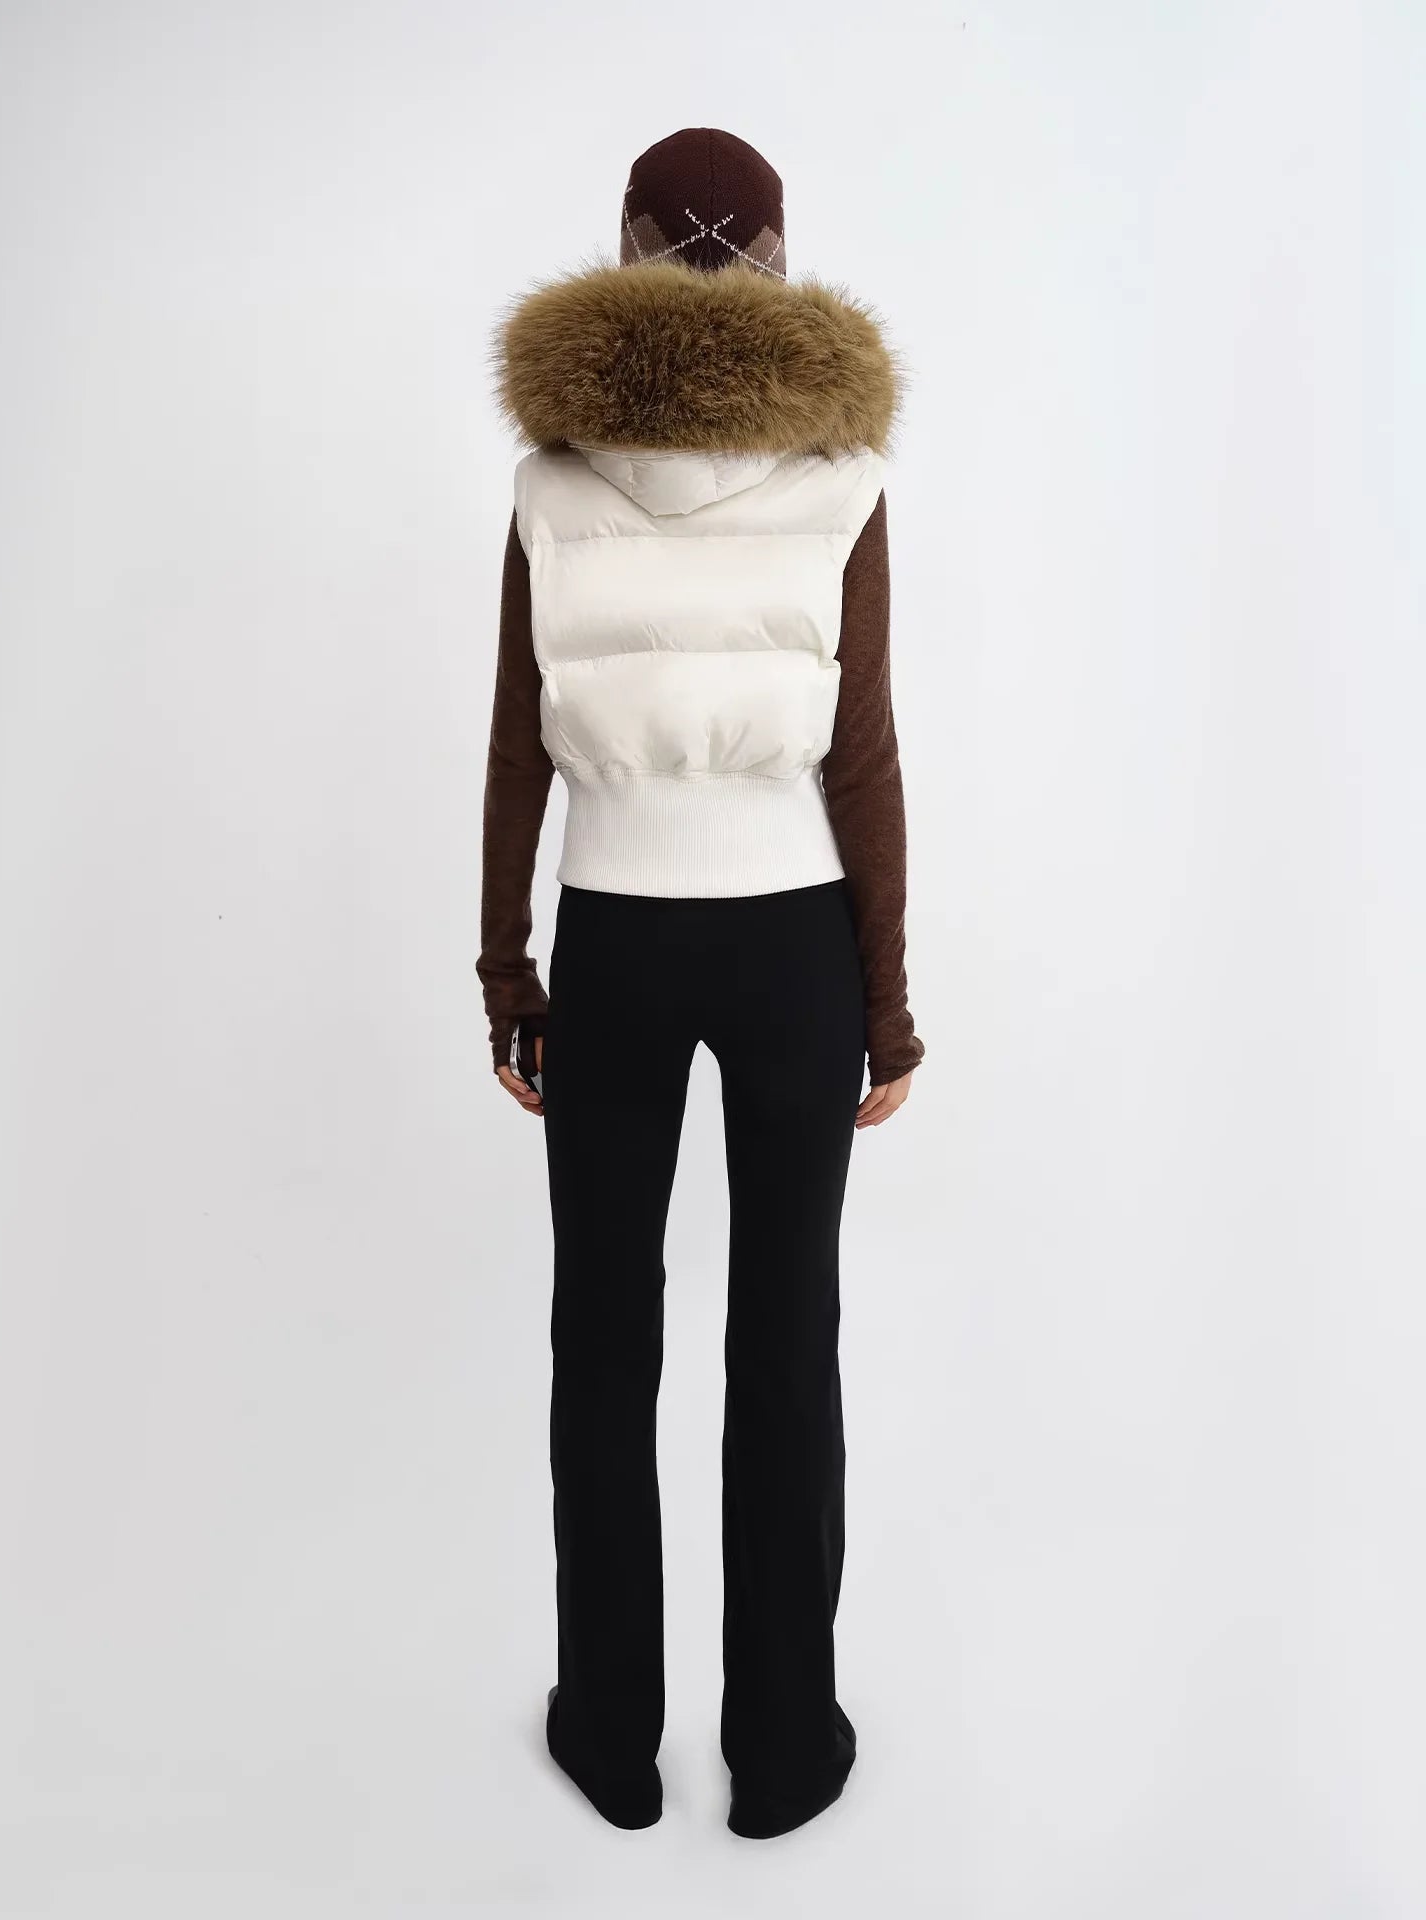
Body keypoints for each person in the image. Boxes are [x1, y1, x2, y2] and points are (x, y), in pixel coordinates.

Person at [476, 127, 925, 1840]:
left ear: (623, 249)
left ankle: (609, 1734)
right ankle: (786, 1748)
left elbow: (518, 743)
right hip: (794, 938)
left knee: (603, 1334)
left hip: (615, 933)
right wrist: (885, 1003)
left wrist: (509, 968)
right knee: (787, 1335)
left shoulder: (552, 478)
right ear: (783, 266)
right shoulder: (844, 476)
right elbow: (863, 756)